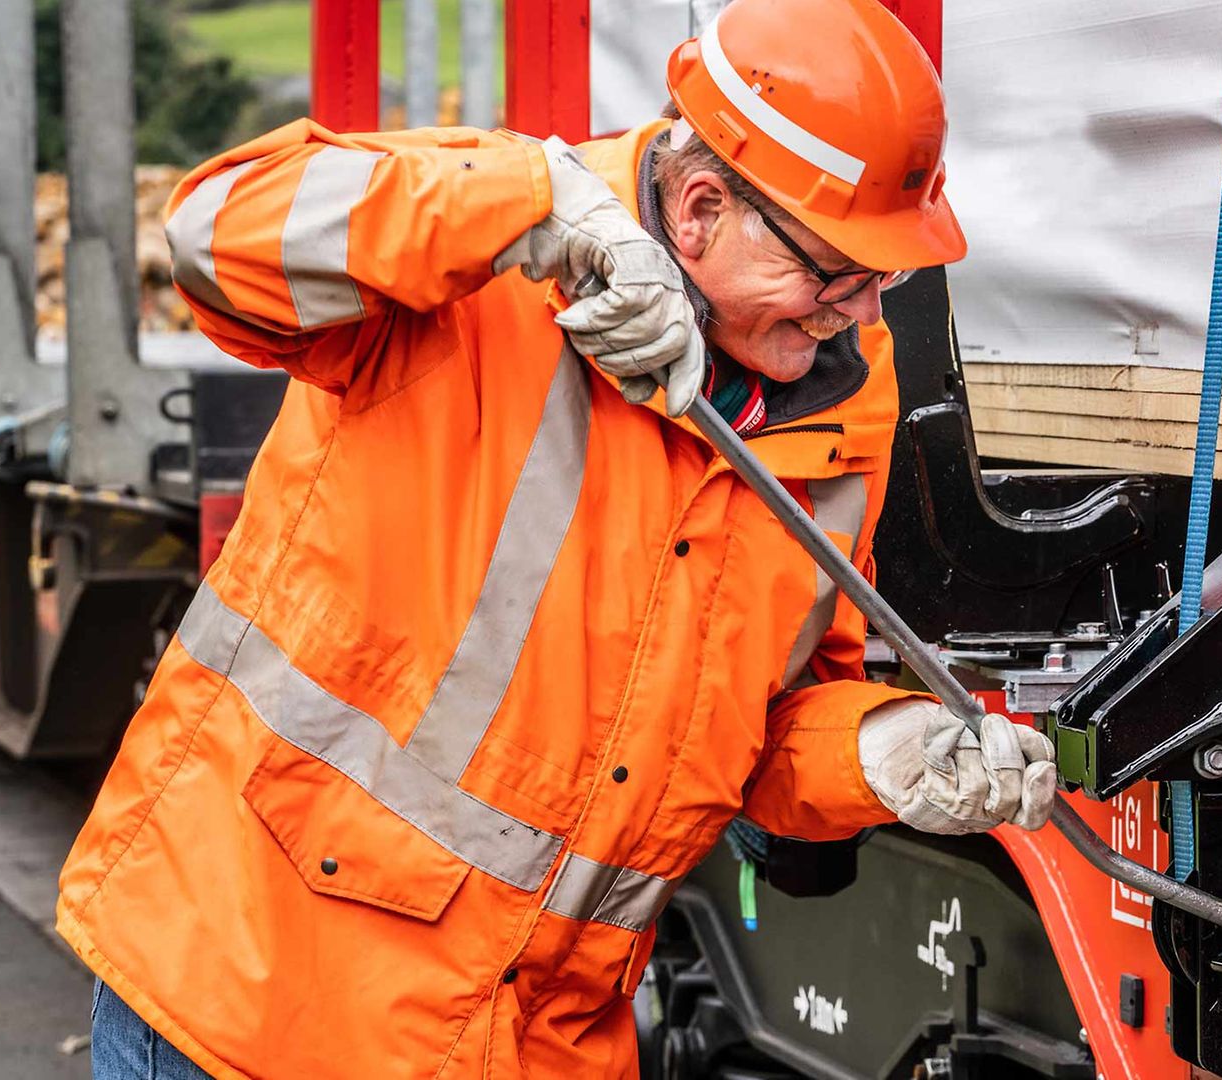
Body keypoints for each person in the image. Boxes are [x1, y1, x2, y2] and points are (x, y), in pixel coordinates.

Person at [55, 0, 1056, 1075]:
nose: (855, 315)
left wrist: (875, 755)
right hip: (256, 996)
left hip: (531, 1040)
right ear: (702, 208)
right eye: (833, 276)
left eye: (883, 281)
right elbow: (214, 237)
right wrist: (528, 209)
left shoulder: (847, 398)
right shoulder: (491, 252)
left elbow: (756, 723)